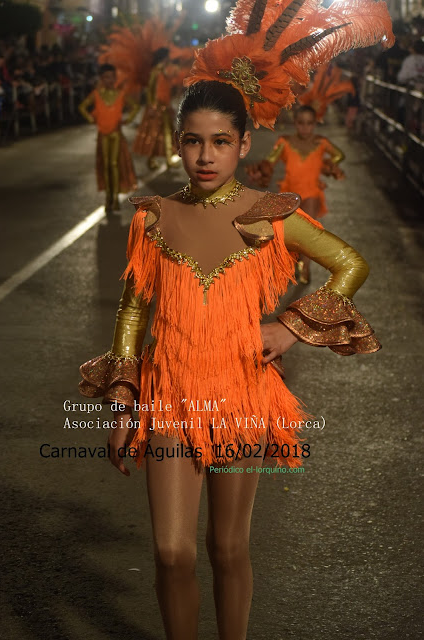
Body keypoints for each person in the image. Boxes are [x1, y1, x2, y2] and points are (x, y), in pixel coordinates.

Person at [78, 0, 393, 637]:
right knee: (171, 552)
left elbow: (350, 263)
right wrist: (122, 405)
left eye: (221, 141)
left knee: (227, 548)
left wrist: (291, 326)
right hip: (169, 398)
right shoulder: (153, 218)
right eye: (193, 141)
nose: (206, 155)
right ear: (178, 142)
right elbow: (133, 312)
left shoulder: (270, 214)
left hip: (243, 396)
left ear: (244, 144)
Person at [247, 105, 345, 283]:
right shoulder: (285, 142)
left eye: (309, 123)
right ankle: (292, 263)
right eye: (301, 123)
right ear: (295, 123)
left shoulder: (321, 143)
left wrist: (329, 165)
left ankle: (305, 266)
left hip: (312, 192)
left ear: (315, 124)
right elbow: (270, 161)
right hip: (290, 195)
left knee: (309, 233)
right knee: (289, 234)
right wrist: (260, 172)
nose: (305, 127)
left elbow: (339, 155)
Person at [78, 63, 139, 213]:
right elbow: (82, 107)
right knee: (106, 165)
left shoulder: (120, 94)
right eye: (106, 77)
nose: (109, 80)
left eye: (112, 77)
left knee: (114, 164)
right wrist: (91, 119)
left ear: (115, 78)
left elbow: (135, 106)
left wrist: (128, 119)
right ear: (101, 78)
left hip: (116, 134)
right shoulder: (97, 94)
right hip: (103, 135)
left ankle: (115, 198)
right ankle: (108, 197)